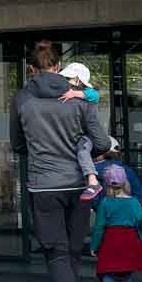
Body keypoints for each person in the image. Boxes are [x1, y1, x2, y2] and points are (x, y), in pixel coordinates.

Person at [11, 41, 112, 282]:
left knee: (55, 252)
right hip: (78, 184)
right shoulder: (79, 97)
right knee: (72, 250)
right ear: (58, 66)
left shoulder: (23, 98)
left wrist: (40, 150)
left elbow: (17, 144)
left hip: (44, 185)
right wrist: (81, 151)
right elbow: (101, 142)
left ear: (32, 69)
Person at [90, 165, 142, 282]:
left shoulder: (105, 203)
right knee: (126, 276)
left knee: (107, 273)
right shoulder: (134, 203)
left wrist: (94, 246)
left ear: (106, 184)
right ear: (125, 182)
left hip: (110, 242)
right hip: (130, 242)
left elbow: (99, 227)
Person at [56, 62, 103, 202]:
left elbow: (95, 95)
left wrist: (74, 93)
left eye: (68, 78)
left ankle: (93, 180)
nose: (65, 81)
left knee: (82, 151)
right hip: (75, 134)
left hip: (86, 136)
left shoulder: (86, 94)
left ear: (78, 81)